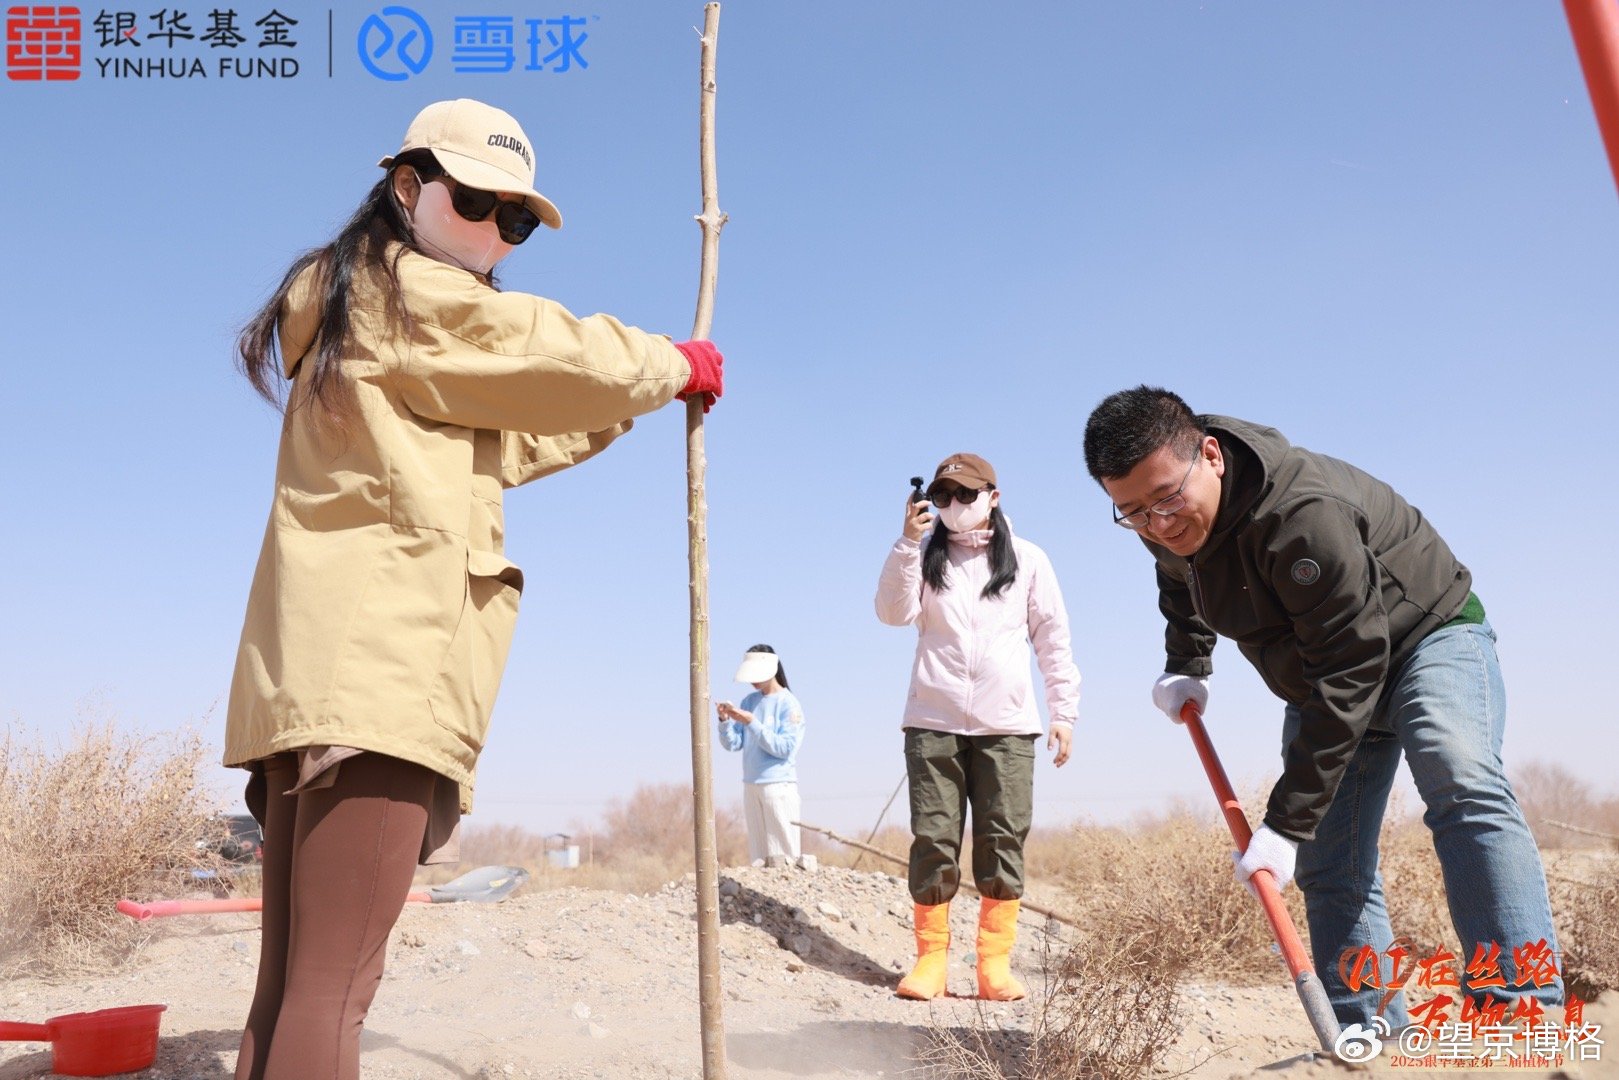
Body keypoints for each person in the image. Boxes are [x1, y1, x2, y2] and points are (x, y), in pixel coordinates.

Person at [222, 98, 725, 1080]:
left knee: (290, 984)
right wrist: (665, 364)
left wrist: (635, 402)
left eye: (518, 220)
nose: (497, 233)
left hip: (314, 673)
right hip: (382, 670)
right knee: (335, 993)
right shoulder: (409, 298)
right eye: (479, 201)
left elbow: (506, 432)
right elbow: (541, 350)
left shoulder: (356, 309)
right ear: (407, 187)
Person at [1082, 386, 1562, 1029]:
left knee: (1459, 776)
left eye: (1167, 499)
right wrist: (1187, 664)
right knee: (1330, 854)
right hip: (1326, 670)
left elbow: (1354, 662)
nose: (1158, 524)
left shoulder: (1303, 512)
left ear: (1212, 455)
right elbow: (1181, 578)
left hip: (1427, 637)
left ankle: (1519, 1010)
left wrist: (1282, 822)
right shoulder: (1162, 514)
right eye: (1133, 512)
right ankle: (1364, 1024)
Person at [874, 453, 1080, 1002]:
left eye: (966, 495)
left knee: (1002, 836)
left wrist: (1063, 713)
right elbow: (892, 614)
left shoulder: (1029, 560)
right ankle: (931, 962)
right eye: (943, 497)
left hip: (1007, 726)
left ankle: (993, 964)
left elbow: (1052, 639)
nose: (954, 507)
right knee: (935, 838)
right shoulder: (922, 557)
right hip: (933, 721)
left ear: (993, 495)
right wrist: (904, 544)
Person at [717, 644, 806, 868]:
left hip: (778, 785)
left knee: (784, 854)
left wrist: (751, 722)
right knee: (758, 856)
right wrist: (725, 721)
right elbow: (734, 743)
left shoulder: (789, 705)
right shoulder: (749, 702)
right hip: (751, 785)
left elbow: (784, 748)